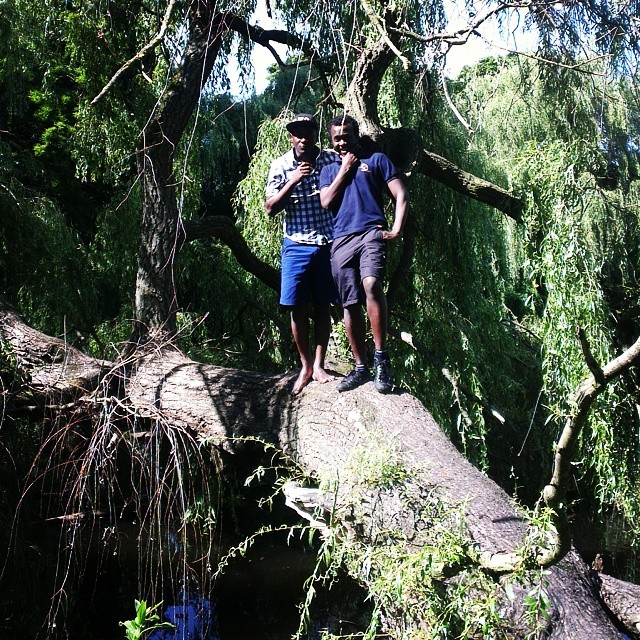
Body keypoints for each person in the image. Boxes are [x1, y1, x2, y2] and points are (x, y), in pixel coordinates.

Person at [319, 114, 408, 393]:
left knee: (371, 284)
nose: (342, 142)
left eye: (346, 136)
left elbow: (401, 195)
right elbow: (325, 202)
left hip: (371, 233)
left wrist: (395, 230)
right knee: (349, 303)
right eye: (337, 138)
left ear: (357, 135)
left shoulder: (378, 160)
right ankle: (360, 367)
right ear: (331, 140)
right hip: (341, 240)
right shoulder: (329, 169)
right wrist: (345, 169)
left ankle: (382, 359)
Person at [265, 113, 338, 395]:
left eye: (308, 132)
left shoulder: (331, 160)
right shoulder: (281, 165)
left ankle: (319, 365)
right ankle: (305, 365)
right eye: (298, 133)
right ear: (291, 136)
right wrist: (293, 180)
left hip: (330, 242)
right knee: (296, 306)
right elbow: (270, 208)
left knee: (323, 305)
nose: (303, 138)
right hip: (296, 243)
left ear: (316, 134)